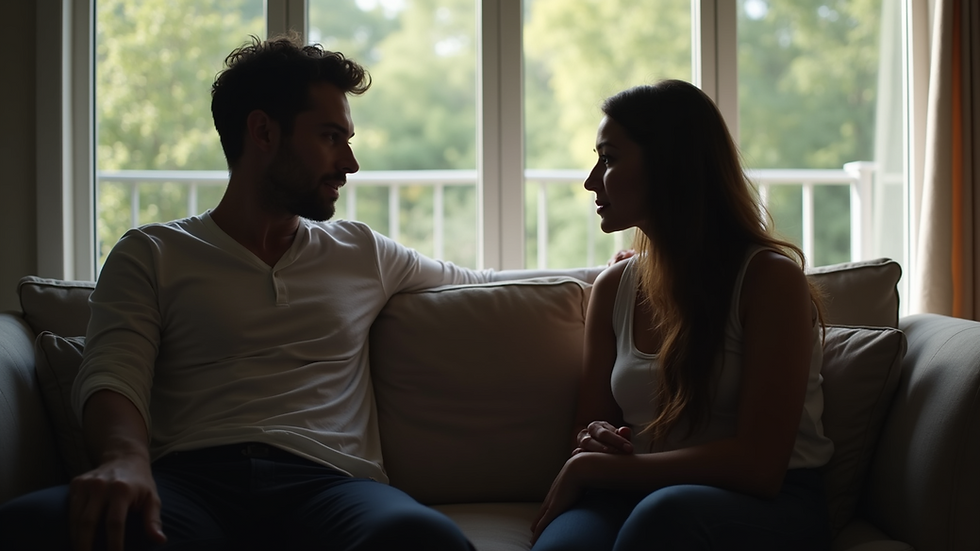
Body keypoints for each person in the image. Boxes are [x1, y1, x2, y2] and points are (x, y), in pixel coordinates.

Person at [0, 33, 569, 551]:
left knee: (422, 540)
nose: (350, 164)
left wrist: (612, 273)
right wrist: (125, 460)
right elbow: (112, 373)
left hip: (330, 485)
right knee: (33, 525)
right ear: (264, 132)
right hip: (190, 484)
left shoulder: (361, 251)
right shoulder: (151, 251)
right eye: (330, 137)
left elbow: (483, 283)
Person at [529, 80, 835, 551]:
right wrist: (596, 442)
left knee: (663, 518)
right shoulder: (614, 287)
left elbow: (759, 467)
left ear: (669, 165)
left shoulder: (769, 281)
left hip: (762, 501)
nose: (591, 181)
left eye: (608, 159)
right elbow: (586, 425)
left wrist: (599, 469)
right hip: (634, 488)